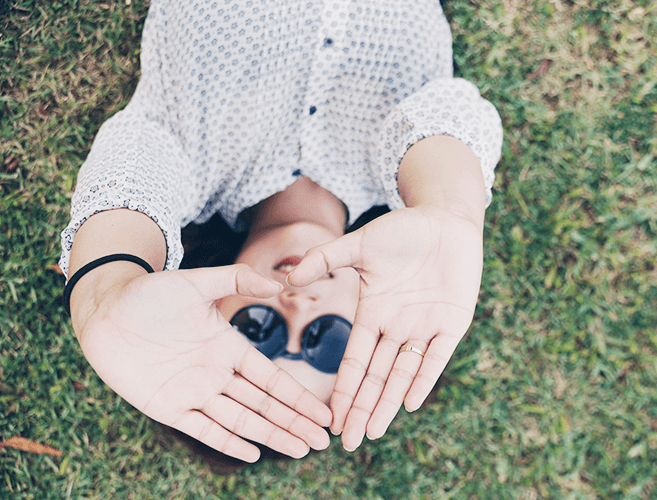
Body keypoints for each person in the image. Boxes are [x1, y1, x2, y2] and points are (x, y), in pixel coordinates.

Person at [60, 0, 502, 463]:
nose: (296, 306)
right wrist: (451, 208)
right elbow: (449, 114)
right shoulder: (410, 179)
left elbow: (136, 169)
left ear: (211, 309)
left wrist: (103, 290)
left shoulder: (190, 167)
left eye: (257, 330)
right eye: (328, 339)